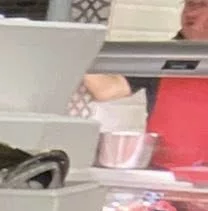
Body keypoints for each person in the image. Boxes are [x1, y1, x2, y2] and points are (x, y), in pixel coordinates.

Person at [85, 0, 208, 172]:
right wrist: (76, 54)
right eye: (189, 5)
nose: (190, 13)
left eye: (200, 5)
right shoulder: (161, 57)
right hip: (163, 175)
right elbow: (106, 90)